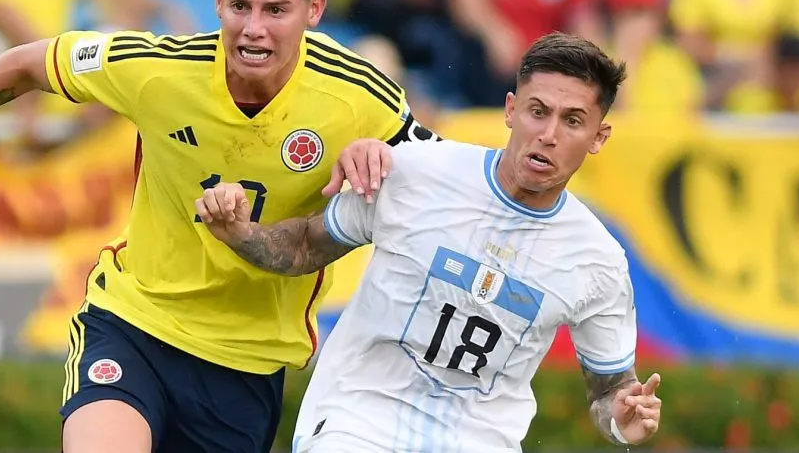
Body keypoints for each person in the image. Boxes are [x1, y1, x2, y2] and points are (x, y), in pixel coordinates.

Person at [0, 0, 437, 452]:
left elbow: (446, 182)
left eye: (276, 10)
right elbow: (26, 64)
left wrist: (387, 156)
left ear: (314, 10)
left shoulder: (359, 96)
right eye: (239, 6)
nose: (253, 27)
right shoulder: (161, 69)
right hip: (134, 325)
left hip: (246, 361)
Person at [197, 32, 664, 452]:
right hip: (357, 422)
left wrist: (623, 422)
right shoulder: (417, 170)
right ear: (510, 109)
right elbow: (303, 245)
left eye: (573, 121)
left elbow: (609, 391)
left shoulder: (599, 261)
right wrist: (244, 234)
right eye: (537, 111)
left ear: (599, 136)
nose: (547, 134)